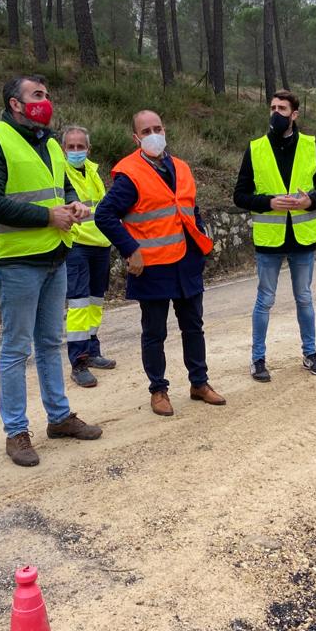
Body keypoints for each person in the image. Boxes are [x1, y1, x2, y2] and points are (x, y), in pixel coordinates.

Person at [0, 75, 102, 467]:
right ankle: (16, 431)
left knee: (49, 343)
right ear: (15, 103)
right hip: (16, 263)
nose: (47, 101)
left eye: (47, 95)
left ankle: (59, 417)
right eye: (38, 95)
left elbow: (62, 187)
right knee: (15, 349)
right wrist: (48, 217)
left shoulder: (49, 141)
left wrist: (73, 204)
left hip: (54, 258)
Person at [95, 110, 226, 417]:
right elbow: (104, 215)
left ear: (165, 130)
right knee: (154, 333)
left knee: (194, 327)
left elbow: (191, 208)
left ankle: (199, 383)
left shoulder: (180, 166)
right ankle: (158, 390)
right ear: (136, 138)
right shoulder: (129, 173)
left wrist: (202, 238)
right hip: (152, 267)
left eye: (158, 128)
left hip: (187, 263)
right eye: (146, 130)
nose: (153, 133)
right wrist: (131, 250)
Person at [233, 90, 316, 383]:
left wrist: (310, 201)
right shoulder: (255, 149)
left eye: (282, 108)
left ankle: (311, 353)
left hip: (303, 238)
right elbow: (239, 195)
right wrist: (268, 202)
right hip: (269, 240)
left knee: (304, 298)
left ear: (295, 114)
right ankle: (258, 359)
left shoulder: (311, 146)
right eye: (272, 107)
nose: (275, 113)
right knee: (264, 300)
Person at [61, 125, 117, 388]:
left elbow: (103, 209)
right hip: (77, 245)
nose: (75, 151)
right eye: (70, 147)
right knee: (79, 304)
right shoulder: (60, 172)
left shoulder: (93, 172)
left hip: (100, 244)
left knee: (95, 302)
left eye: (79, 146)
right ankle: (79, 361)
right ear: (63, 149)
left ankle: (93, 350)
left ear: (88, 148)